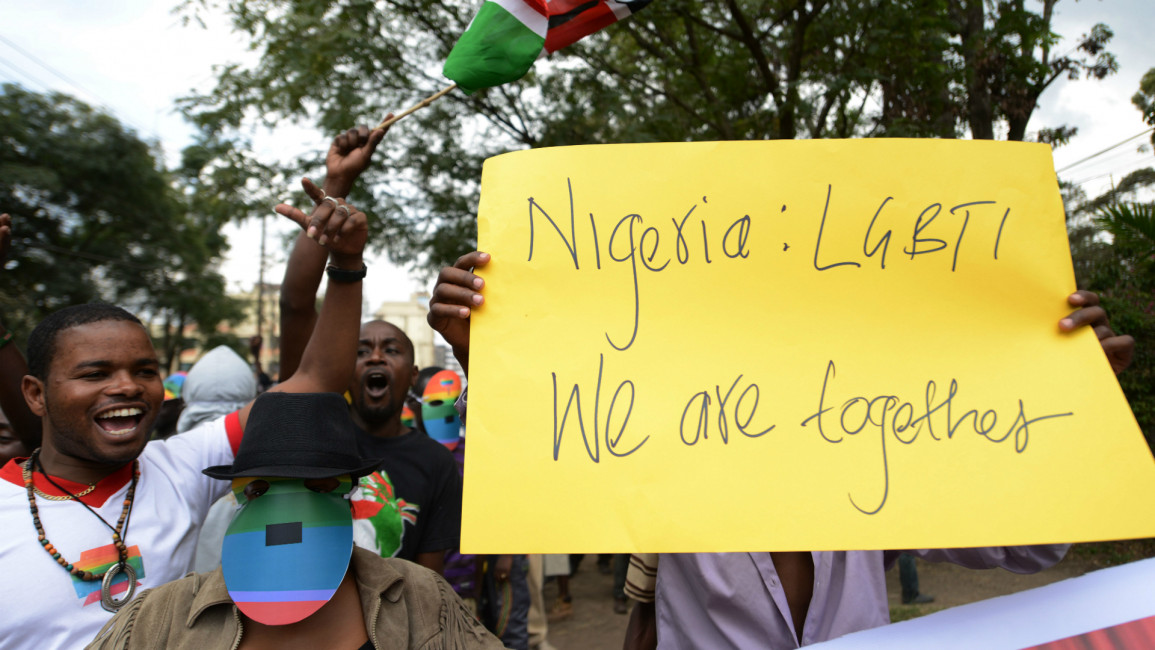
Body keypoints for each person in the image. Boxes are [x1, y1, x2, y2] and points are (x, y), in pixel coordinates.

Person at [426, 251, 1136, 650]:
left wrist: (1070, 407)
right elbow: (543, 469)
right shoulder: (655, 460)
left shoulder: (874, 463)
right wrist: (486, 350)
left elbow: (1025, 550)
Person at [0, 188, 370, 650]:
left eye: (145, 371)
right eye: (96, 373)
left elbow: (316, 379)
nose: (127, 387)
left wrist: (347, 266)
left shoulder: (180, 467)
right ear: (36, 394)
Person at [87, 391, 504, 650]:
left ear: (350, 492)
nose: (288, 516)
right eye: (261, 488)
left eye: (317, 486)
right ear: (238, 495)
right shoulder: (158, 620)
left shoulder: (420, 599)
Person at [279, 125, 462, 574]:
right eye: (361, 350)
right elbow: (297, 305)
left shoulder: (436, 463)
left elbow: (427, 581)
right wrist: (336, 187)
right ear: (341, 364)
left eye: (391, 350)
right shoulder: (312, 429)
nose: (376, 357)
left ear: (413, 372)